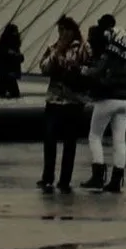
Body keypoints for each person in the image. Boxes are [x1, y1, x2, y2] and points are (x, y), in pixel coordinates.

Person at [82, 15, 126, 193]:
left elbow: (97, 72)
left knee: (94, 136)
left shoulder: (108, 54)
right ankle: (116, 180)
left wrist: (84, 71)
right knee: (120, 141)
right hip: (125, 100)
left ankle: (98, 176)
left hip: (107, 99)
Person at [37, 16, 88, 193]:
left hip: (73, 101)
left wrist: (74, 68)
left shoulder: (83, 48)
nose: (62, 34)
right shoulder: (53, 48)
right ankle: (47, 176)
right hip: (54, 100)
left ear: (72, 31)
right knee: (49, 139)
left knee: (69, 142)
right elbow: (44, 68)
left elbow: (89, 69)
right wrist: (57, 51)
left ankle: (65, 179)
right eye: (60, 30)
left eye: (65, 30)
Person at [0, 23, 25, 97]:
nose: (15, 34)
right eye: (14, 32)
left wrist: (18, 56)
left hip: (9, 73)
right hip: (7, 73)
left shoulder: (12, 45)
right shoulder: (3, 46)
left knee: (4, 90)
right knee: (14, 93)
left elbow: (19, 58)